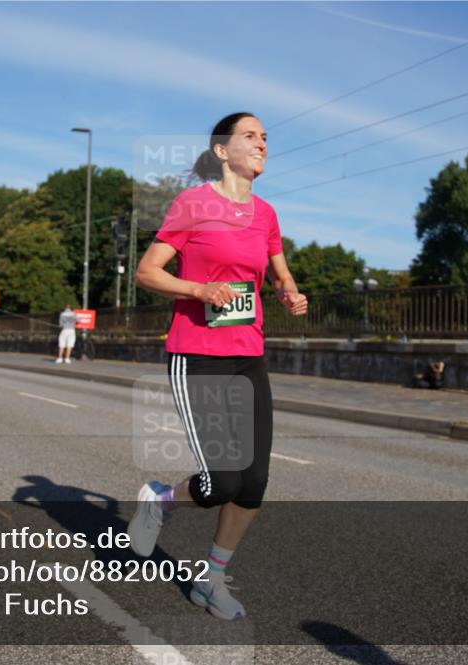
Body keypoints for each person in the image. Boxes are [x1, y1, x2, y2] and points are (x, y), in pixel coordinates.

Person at [127, 113, 308, 621]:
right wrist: (198, 289)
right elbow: (148, 272)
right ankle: (161, 501)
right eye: (251, 136)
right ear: (223, 151)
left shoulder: (267, 214)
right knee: (224, 480)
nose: (262, 144)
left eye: (266, 138)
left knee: (254, 482)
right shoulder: (193, 204)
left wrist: (289, 292)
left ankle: (211, 579)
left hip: (248, 357)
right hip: (199, 355)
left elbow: (279, 274)